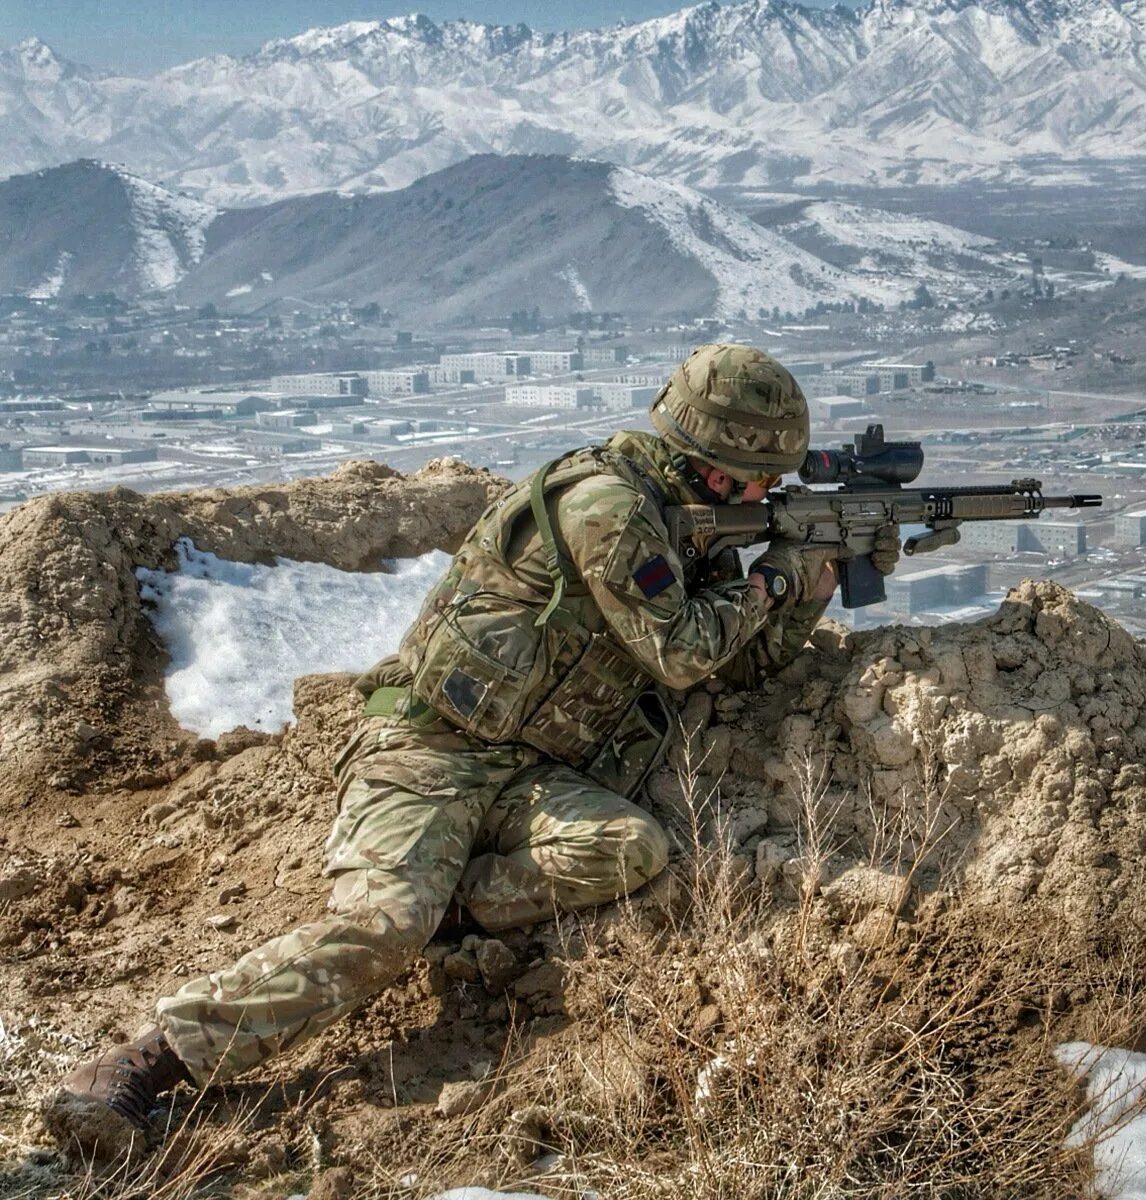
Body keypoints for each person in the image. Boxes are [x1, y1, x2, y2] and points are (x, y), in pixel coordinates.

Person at [45, 343, 897, 1155]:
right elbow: (683, 649)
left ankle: (445, 909)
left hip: (530, 773)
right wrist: (775, 574)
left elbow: (739, 658)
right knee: (379, 931)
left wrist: (810, 583)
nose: (762, 491)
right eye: (757, 479)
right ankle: (145, 1062)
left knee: (631, 848)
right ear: (711, 464)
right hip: (427, 752)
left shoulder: (689, 524)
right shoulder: (609, 506)